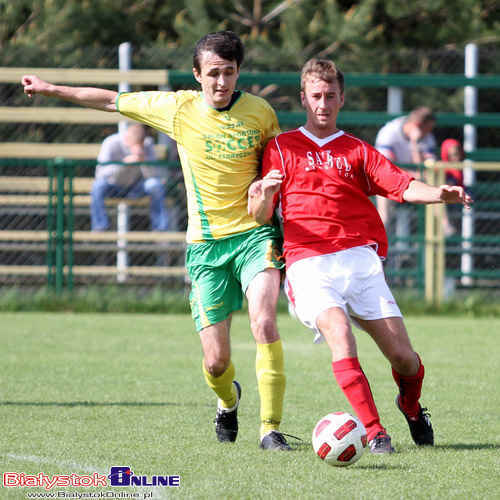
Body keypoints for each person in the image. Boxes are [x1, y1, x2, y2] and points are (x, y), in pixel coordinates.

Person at [21, 31, 290, 450]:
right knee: (216, 362)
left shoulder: (261, 113)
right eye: (214, 73)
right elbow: (110, 100)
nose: (222, 82)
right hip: (205, 247)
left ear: (240, 72)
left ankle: (270, 429)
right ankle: (228, 400)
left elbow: (278, 165)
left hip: (255, 235)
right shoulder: (178, 108)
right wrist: (51, 88)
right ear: (198, 75)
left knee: (265, 321)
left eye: (230, 73)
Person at [248, 58, 472, 453]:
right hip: (308, 263)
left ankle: (411, 405)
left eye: (330, 96)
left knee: (404, 358)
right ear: (303, 97)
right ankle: (374, 431)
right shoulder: (281, 148)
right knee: (340, 333)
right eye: (315, 96)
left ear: (342, 98)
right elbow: (260, 214)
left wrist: (438, 193)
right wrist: (265, 196)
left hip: (360, 261)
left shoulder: (357, 150)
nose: (322, 103)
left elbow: (401, 184)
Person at [374, 107, 437, 244]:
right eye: (427, 129)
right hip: (389, 181)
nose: (429, 133)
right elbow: (384, 168)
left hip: (413, 183)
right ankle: (378, 247)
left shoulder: (426, 138)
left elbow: (425, 169)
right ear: (417, 125)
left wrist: (415, 144)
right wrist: (411, 174)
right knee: (384, 216)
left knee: (436, 191)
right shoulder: (389, 132)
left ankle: (443, 230)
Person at [91, 123, 169, 231]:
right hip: (113, 187)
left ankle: (160, 228)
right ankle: (100, 227)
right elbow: (100, 173)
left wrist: (143, 161)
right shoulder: (111, 142)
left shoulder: (147, 144)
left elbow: (153, 176)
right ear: (126, 138)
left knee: (155, 185)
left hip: (136, 187)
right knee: (98, 186)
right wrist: (123, 164)